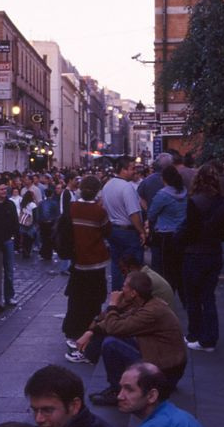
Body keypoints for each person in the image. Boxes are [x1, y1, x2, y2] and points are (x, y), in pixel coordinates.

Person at [75, 272, 187, 406]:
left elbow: (114, 327)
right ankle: (117, 387)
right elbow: (119, 320)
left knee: (111, 343)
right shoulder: (145, 303)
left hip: (165, 374)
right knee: (116, 337)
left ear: (133, 293)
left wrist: (113, 304)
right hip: (160, 360)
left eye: (124, 287)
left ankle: (117, 392)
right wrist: (90, 332)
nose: (121, 290)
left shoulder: (152, 311)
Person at [180, 163, 224, 352]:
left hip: (195, 253)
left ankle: (195, 333)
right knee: (208, 297)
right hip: (214, 252)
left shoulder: (194, 201)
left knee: (193, 297)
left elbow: (190, 231)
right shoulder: (222, 202)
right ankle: (210, 337)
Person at [62, 175, 111, 360]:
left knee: (76, 298)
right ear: (98, 192)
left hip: (78, 260)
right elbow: (108, 231)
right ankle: (90, 331)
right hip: (96, 262)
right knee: (95, 299)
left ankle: (73, 331)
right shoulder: (99, 212)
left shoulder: (72, 208)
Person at [100, 157, 147, 292]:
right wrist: (142, 231)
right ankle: (132, 295)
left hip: (113, 230)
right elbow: (133, 214)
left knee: (116, 264)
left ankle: (118, 294)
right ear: (123, 170)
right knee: (134, 265)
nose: (135, 171)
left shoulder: (108, 185)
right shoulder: (127, 187)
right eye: (132, 168)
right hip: (128, 232)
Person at [146, 165, 188, 282]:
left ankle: (166, 294)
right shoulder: (184, 191)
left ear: (163, 179)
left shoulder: (163, 195)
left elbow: (151, 214)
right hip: (181, 233)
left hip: (165, 234)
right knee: (178, 267)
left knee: (164, 269)